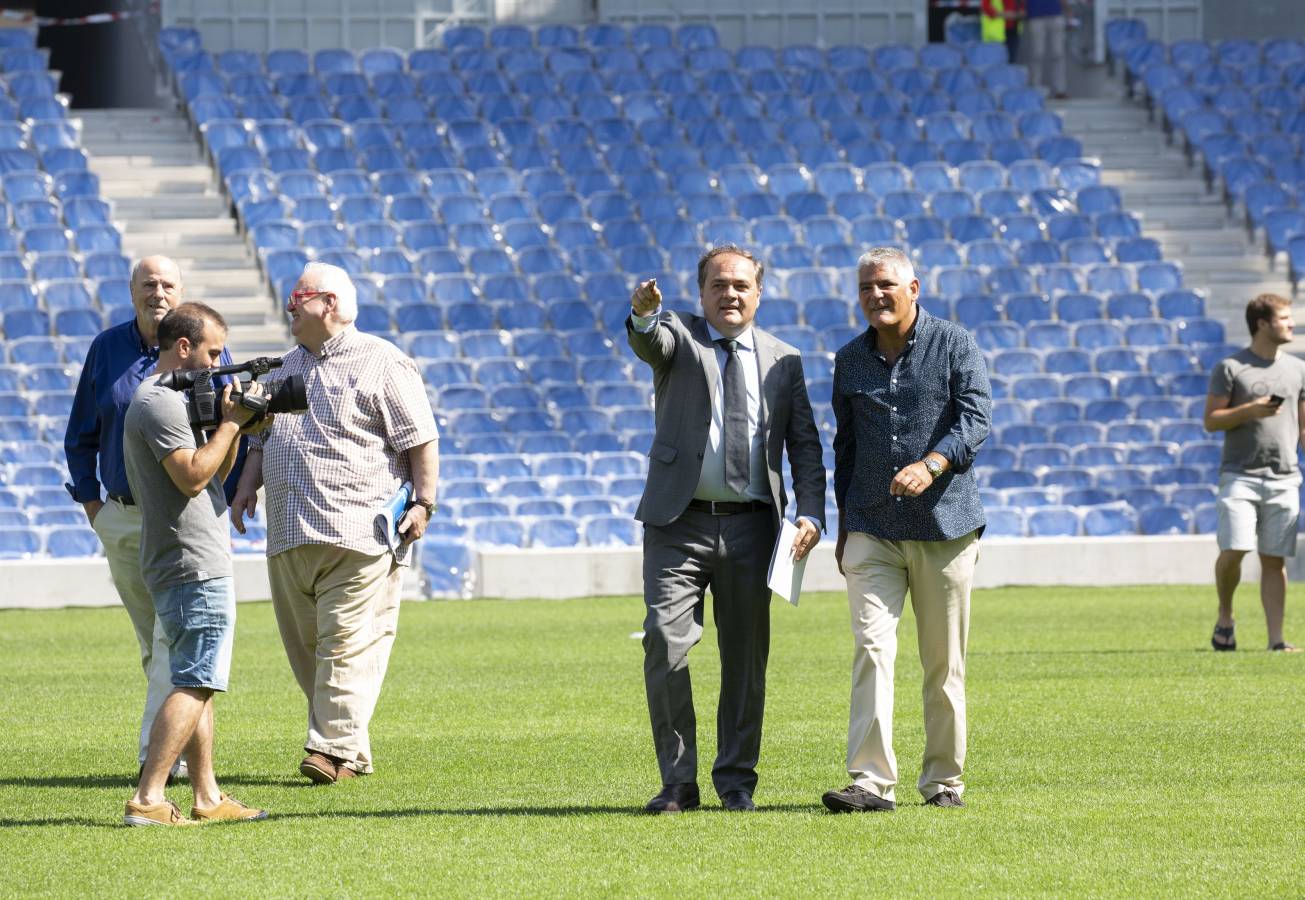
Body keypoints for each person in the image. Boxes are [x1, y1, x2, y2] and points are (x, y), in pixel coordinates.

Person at [627, 244, 826, 814]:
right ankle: (678, 781)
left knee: (746, 661)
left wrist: (810, 512)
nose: (730, 294)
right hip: (677, 524)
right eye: (719, 285)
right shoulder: (679, 337)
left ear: (759, 293)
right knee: (665, 645)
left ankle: (736, 781)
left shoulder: (785, 360)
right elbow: (649, 341)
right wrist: (642, 313)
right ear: (701, 294)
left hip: (753, 530)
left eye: (741, 285)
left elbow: (805, 447)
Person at [230, 262, 440, 784]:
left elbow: (420, 438)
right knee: (308, 653)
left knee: (346, 644)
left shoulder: (384, 362)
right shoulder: (281, 370)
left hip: (359, 531)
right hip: (288, 531)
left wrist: (424, 503)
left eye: (297, 296)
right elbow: (259, 438)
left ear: (328, 303)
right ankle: (351, 749)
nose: (288, 306)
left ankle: (329, 751)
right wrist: (245, 486)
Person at [821, 247, 991, 814]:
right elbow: (844, 447)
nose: (876, 295)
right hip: (871, 527)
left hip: (944, 528)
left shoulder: (955, 343)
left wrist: (933, 463)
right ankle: (870, 782)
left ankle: (944, 780)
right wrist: (844, 527)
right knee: (872, 649)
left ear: (914, 287)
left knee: (942, 664)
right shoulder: (848, 360)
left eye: (886, 285)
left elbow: (976, 417)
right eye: (866, 287)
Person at [64, 255, 241, 782]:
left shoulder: (207, 354)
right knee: (159, 642)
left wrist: (221, 499)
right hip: (124, 513)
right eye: (148, 283)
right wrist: (94, 506)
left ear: (181, 292)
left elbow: (215, 441)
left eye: (168, 284)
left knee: (175, 644)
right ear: (132, 291)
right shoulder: (109, 351)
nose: (158, 291)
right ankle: (168, 775)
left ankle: (162, 762)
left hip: (186, 519)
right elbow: (81, 433)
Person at [121, 302, 269, 826]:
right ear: (183, 347)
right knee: (194, 679)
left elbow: (213, 472)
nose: (217, 363)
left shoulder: (167, 401)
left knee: (198, 677)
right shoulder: (158, 402)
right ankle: (148, 798)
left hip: (192, 557)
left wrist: (234, 431)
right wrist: (232, 424)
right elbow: (190, 477)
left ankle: (207, 797)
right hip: (189, 562)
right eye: (212, 352)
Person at [1204, 294, 1305, 653]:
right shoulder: (1231, 368)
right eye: (1284, 318)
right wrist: (1249, 411)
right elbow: (1211, 421)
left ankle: (1276, 640)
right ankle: (1225, 615)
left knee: (1274, 560)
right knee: (1235, 547)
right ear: (1262, 323)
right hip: (1240, 475)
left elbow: (1303, 427)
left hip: (1284, 477)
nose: (1291, 324)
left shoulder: (1298, 369)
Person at [1026, 0, 1069, 99]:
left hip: (1055, 13)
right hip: (1036, 15)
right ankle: (1035, 87)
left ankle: (1060, 90)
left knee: (1058, 54)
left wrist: (1067, 10)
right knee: (1037, 54)